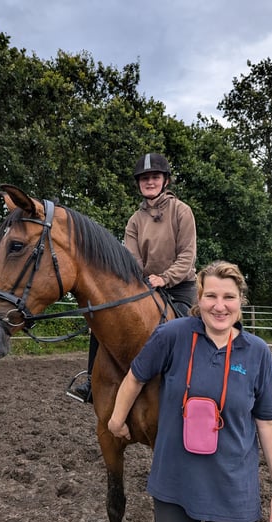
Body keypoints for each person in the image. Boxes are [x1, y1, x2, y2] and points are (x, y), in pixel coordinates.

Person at [108, 260, 272, 522]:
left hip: (233, 490)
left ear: (241, 301)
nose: (220, 306)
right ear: (199, 299)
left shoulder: (257, 352)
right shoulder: (172, 335)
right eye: (211, 296)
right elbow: (136, 376)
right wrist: (116, 419)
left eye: (229, 297)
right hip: (174, 484)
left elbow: (270, 423)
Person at [69, 152, 197, 403]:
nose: (150, 181)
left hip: (179, 286)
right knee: (103, 323)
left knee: (186, 327)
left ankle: (193, 383)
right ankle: (92, 385)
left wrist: (165, 278)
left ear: (165, 181)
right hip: (146, 286)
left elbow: (187, 255)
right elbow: (132, 260)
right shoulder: (134, 221)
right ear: (139, 183)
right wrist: (142, 280)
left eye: (155, 177)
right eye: (145, 178)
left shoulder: (182, 212)